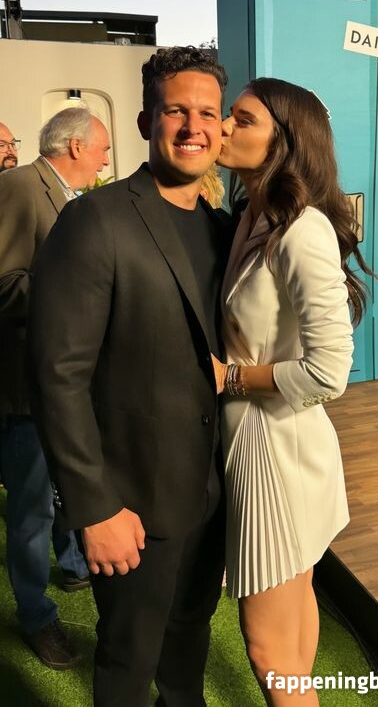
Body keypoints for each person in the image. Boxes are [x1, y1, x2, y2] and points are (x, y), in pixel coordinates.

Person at [27, 46, 232, 706]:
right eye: (176, 110)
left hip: (212, 497)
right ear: (146, 121)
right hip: (132, 506)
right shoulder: (96, 219)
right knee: (128, 661)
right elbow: (57, 374)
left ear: (223, 125)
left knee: (187, 651)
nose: (193, 126)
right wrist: (94, 507)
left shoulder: (224, 229)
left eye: (208, 113)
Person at [213, 77, 371, 705]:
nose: (224, 126)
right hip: (271, 443)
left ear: (285, 141)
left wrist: (229, 376)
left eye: (242, 119)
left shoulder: (303, 229)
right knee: (295, 616)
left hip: (274, 453)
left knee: (268, 649)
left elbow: (330, 371)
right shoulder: (254, 215)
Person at [0, 107, 110, 670]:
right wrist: (75, 286)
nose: (106, 161)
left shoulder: (68, 196)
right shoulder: (22, 186)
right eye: (102, 149)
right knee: (30, 511)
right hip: (26, 388)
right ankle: (36, 617)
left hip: (63, 384)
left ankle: (72, 566)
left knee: (64, 486)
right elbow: (4, 284)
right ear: (75, 146)